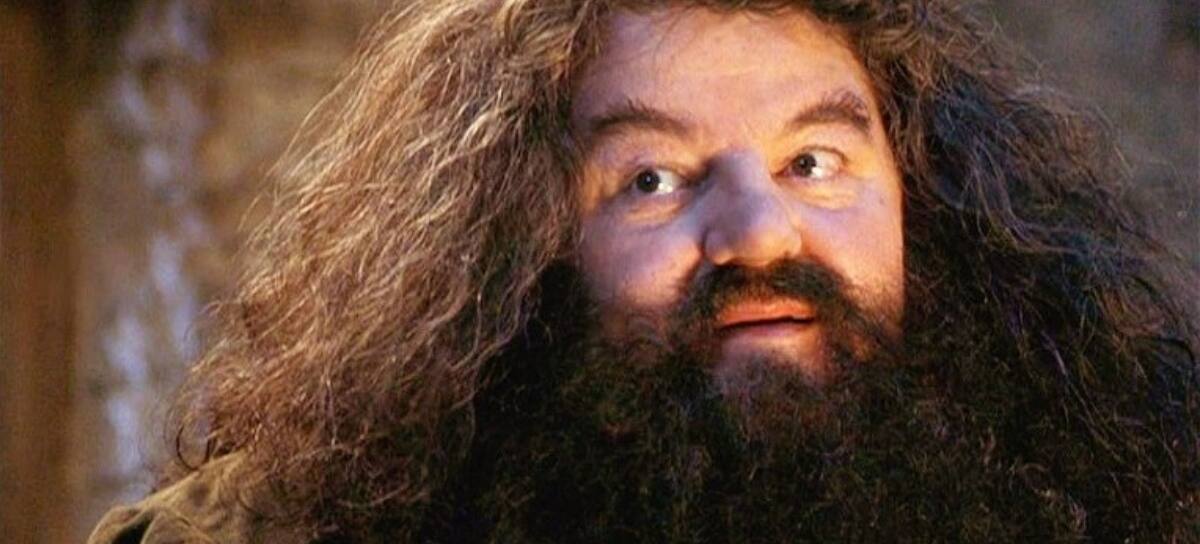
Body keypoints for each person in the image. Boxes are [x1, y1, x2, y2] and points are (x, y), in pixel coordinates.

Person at [89, 1, 1198, 542]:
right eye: (653, 180)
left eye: (813, 162)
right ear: (519, 242)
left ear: (927, 199)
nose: (759, 237)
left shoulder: (1114, 508)